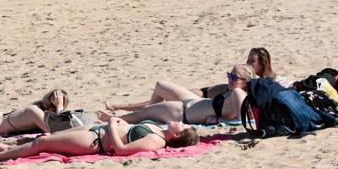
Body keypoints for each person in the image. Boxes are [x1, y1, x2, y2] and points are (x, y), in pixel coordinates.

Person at [105, 47, 278, 112]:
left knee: (162, 94)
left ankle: (123, 108)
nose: (247, 63)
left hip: (205, 104)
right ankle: (125, 107)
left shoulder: (263, 84)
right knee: (164, 95)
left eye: (251, 61)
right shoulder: (241, 77)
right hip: (206, 95)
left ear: (262, 64)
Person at [0, 116, 200, 161]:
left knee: (42, 144)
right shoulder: (157, 128)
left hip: (96, 142)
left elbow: (120, 151)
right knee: (48, 137)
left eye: (183, 125)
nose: (180, 121)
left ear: (177, 134)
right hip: (97, 129)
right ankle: (7, 147)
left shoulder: (156, 141)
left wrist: (112, 125)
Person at [99, 65, 256, 125]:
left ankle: (113, 120)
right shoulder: (234, 91)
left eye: (234, 78)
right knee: (160, 85)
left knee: (145, 113)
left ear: (245, 82)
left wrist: (217, 120)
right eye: (229, 75)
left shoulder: (237, 93)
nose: (229, 79)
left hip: (184, 112)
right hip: (194, 103)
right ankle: (129, 114)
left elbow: (242, 119)